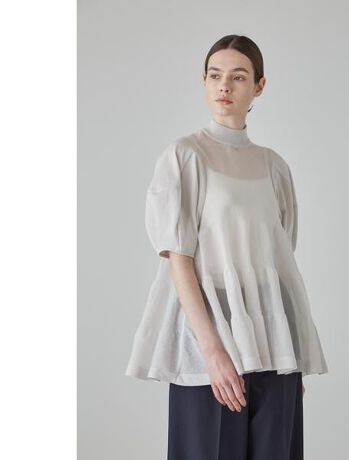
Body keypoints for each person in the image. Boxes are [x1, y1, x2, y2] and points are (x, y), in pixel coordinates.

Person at [125, 34, 328, 459]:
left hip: (274, 344)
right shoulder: (186, 156)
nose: (224, 86)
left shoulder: (274, 166)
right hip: (209, 335)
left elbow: (280, 262)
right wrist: (212, 350)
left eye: (238, 77)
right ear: (203, 81)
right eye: (215, 75)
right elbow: (179, 259)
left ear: (259, 86)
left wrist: (287, 352)